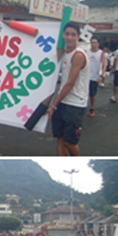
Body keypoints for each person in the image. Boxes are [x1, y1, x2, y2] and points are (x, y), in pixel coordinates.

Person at [46, 22, 90, 156]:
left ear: (78, 36)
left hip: (75, 104)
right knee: (60, 138)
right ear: (63, 35)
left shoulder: (78, 55)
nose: (69, 37)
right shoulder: (64, 52)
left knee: (69, 143)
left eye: (73, 35)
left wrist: (53, 105)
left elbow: (69, 83)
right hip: (63, 101)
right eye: (67, 34)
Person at [85, 37, 106, 118]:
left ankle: (92, 108)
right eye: (92, 42)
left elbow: (104, 65)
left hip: (95, 77)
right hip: (86, 77)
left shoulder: (101, 53)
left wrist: (101, 75)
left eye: (95, 42)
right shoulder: (86, 52)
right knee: (84, 93)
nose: (93, 44)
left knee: (92, 94)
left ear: (98, 44)